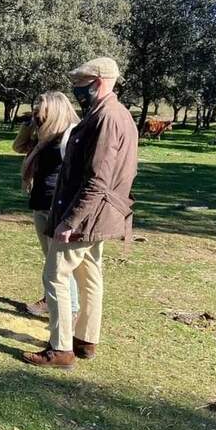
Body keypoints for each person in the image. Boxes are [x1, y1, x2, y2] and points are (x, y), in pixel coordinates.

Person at [22, 57, 138, 369]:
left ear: (97, 82)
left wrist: (70, 220)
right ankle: (86, 340)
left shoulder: (106, 119)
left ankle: (60, 349)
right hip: (100, 213)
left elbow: (98, 179)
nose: (76, 90)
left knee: (56, 276)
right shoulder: (116, 114)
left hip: (86, 214)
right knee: (89, 274)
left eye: (80, 84)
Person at [12, 91, 80, 320]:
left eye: (41, 112)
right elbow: (18, 146)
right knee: (50, 258)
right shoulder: (44, 137)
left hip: (57, 206)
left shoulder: (71, 136)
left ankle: (70, 310)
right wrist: (29, 124)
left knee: (60, 264)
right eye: (36, 112)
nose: (38, 116)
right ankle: (51, 299)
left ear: (56, 111)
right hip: (40, 202)